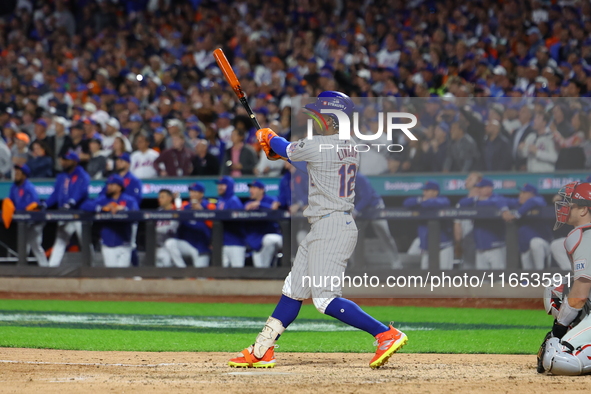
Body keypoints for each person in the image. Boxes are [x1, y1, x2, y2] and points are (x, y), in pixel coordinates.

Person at [229, 91, 407, 370]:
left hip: (331, 226)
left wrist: (268, 136)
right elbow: (304, 160)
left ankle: (385, 334)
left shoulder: (320, 144)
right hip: (327, 225)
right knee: (293, 289)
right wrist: (278, 149)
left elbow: (287, 148)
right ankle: (262, 349)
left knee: (324, 298)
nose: (316, 119)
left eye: (322, 115)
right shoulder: (349, 145)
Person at [538, 181, 591, 375]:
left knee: (557, 359)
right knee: (556, 291)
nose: (564, 207)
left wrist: (558, 331)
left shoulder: (586, 235)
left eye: (570, 204)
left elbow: (581, 292)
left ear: (584, 210)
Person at [81, 175, 139, 267]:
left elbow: (136, 213)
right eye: (108, 184)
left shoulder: (128, 200)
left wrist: (123, 209)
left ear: (119, 187)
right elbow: (85, 206)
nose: (109, 186)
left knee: (121, 276)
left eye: (112, 184)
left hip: (124, 244)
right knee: (112, 277)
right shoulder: (104, 199)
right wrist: (102, 208)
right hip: (108, 244)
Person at [45, 151, 91, 267]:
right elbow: (55, 194)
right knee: (60, 241)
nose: (63, 162)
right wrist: (45, 204)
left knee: (84, 242)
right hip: (65, 213)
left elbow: (81, 191)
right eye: (62, 159)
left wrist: (72, 202)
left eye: (66, 159)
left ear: (74, 161)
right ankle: (52, 269)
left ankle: (91, 267)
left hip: (79, 214)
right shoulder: (61, 176)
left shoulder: (82, 175)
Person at [457, 178, 508, 270]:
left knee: (500, 280)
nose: (478, 190)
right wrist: (476, 199)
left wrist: (504, 210)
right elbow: (461, 203)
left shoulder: (498, 199)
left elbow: (499, 201)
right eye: (478, 188)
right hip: (480, 248)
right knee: (482, 281)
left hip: (496, 247)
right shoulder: (475, 200)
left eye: (482, 188)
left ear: (489, 188)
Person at [353, 173, 401, 269]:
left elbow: (366, 197)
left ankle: (396, 263)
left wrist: (355, 211)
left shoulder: (360, 178)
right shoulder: (343, 178)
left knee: (384, 234)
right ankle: (357, 265)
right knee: (354, 238)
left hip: (374, 207)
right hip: (358, 210)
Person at [403, 181, 453, 270]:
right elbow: (407, 202)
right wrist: (421, 201)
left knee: (445, 278)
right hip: (427, 248)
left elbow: (436, 203)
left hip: (444, 247)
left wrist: (422, 202)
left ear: (435, 192)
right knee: (425, 279)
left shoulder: (444, 200)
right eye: (424, 190)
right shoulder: (421, 201)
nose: (424, 192)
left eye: (427, 190)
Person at [502, 184, 552, 270]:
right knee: (527, 275)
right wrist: (504, 210)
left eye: (524, 193)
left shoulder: (538, 200)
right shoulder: (520, 203)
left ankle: (542, 274)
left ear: (532, 194)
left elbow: (534, 201)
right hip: (525, 246)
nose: (520, 195)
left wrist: (517, 215)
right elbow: (501, 200)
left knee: (535, 243)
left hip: (543, 246)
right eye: (521, 192)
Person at [165, 182, 214, 268]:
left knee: (200, 277)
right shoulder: (185, 206)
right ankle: (182, 270)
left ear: (201, 194)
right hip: (187, 245)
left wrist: (202, 212)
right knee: (170, 243)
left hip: (202, 246)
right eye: (191, 191)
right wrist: (176, 200)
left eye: (195, 192)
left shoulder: (209, 206)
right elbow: (174, 212)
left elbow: (213, 226)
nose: (192, 194)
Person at [8, 164, 47, 266]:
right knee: (25, 244)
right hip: (25, 221)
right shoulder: (14, 187)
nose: (16, 174)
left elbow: (33, 206)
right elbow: (11, 203)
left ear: (24, 175)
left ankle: (45, 268)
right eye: (15, 172)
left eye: (18, 172)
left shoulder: (29, 187)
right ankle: (22, 267)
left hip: (35, 221)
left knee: (34, 245)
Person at [244, 180, 283, 268]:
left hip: (273, 235)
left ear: (261, 190)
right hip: (256, 240)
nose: (251, 190)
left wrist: (260, 204)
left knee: (268, 239)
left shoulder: (271, 200)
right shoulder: (249, 203)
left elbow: (276, 209)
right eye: (250, 188)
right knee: (260, 269)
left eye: (254, 188)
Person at [215, 176, 246, 268]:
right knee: (221, 275)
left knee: (237, 274)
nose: (219, 187)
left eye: (222, 185)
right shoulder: (220, 201)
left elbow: (239, 223)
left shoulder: (234, 201)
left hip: (235, 243)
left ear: (229, 186)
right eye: (219, 185)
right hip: (223, 243)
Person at [155, 189, 179, 267]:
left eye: (162, 197)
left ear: (169, 198)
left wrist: (156, 229)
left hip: (170, 247)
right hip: (157, 247)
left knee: (167, 265)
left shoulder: (175, 211)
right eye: (159, 197)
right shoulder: (157, 211)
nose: (159, 199)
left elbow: (171, 228)